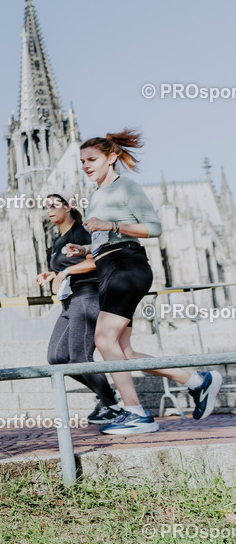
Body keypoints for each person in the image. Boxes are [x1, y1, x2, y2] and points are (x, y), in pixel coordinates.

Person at [65, 130, 222, 435]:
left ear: (111, 158)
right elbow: (106, 240)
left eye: (91, 159)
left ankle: (136, 413)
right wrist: (83, 250)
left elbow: (154, 228)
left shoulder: (126, 187)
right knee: (124, 353)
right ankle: (197, 381)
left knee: (103, 340)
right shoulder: (96, 195)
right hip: (108, 268)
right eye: (82, 161)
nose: (85, 166)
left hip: (127, 267)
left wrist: (111, 224)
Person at [36, 191, 122, 424]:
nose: (49, 210)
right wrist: (52, 274)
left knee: (80, 358)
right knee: (56, 357)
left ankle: (114, 407)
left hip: (87, 297)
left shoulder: (82, 232)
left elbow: (96, 260)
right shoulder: (59, 240)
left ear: (69, 207)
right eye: (46, 206)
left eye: (54, 205)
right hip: (70, 301)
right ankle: (108, 396)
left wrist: (64, 272)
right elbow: (70, 266)